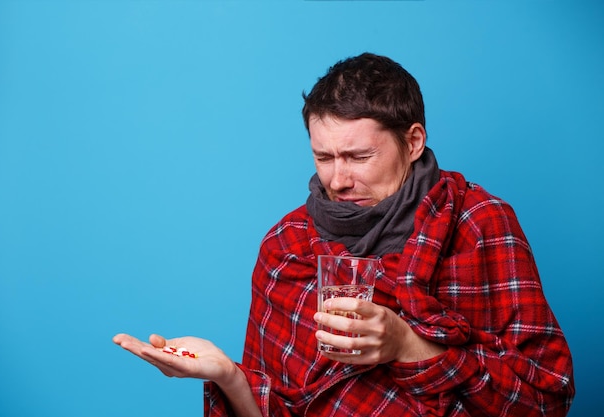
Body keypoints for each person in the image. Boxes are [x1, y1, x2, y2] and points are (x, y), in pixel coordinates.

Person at [113, 52, 575, 416]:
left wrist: (407, 346)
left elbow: (545, 398)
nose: (338, 180)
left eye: (357, 157)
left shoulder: (478, 224)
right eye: (323, 157)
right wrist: (230, 377)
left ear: (412, 142)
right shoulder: (286, 244)